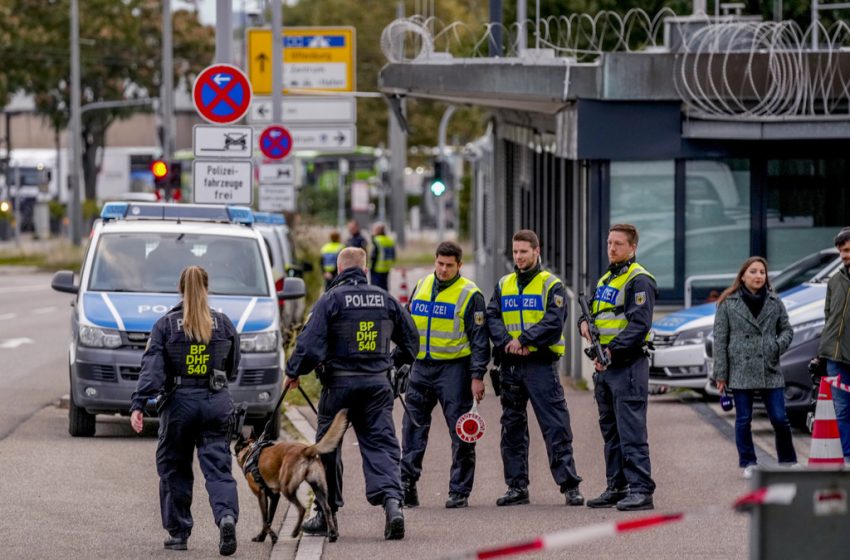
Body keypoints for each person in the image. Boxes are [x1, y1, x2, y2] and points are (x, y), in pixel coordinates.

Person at [284, 247, 419, 540]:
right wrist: (389, 364)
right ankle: (393, 505)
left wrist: (294, 371)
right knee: (382, 445)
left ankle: (325, 513)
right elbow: (412, 342)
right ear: (366, 270)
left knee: (327, 449)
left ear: (340, 269)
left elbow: (309, 346)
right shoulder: (385, 299)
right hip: (377, 387)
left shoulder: (330, 299)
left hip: (340, 386)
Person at [130, 266, 240, 556]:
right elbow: (233, 367)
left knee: (175, 469)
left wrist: (139, 404)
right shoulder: (224, 323)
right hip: (216, 402)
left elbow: (152, 370)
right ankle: (226, 517)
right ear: (207, 288)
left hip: (179, 405)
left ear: (180, 289)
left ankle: (179, 534)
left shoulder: (165, 325)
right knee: (218, 469)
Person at [486, 229, 583, 507]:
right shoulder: (504, 284)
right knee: (512, 428)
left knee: (555, 426)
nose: (518, 257)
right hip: (511, 364)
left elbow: (554, 323)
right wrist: (506, 342)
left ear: (536, 251)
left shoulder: (551, 284)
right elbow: (492, 316)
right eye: (515, 252)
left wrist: (525, 340)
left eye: (523, 252)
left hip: (539, 364)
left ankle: (569, 486)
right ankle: (516, 487)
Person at [401, 241, 489, 509]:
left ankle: (459, 490)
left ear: (459, 266)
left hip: (454, 370)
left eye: (449, 265)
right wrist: (400, 362)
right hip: (421, 368)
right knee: (412, 429)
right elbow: (407, 326)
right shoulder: (423, 285)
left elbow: (479, 341)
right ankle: (407, 485)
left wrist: (477, 376)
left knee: (461, 431)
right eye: (440, 263)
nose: (443, 269)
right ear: (435, 262)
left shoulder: (470, 294)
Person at [579, 224, 656, 511]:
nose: (612, 248)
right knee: (611, 432)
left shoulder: (640, 280)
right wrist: (583, 324)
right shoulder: (605, 280)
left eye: (618, 244)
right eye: (610, 243)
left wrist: (611, 351)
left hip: (627, 365)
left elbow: (639, 325)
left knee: (631, 430)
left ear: (632, 247)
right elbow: (596, 316)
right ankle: (617, 485)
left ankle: (641, 489)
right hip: (605, 368)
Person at [711, 256, 797, 477]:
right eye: (753, 272)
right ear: (742, 276)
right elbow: (720, 341)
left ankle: (788, 461)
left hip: (769, 366)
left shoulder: (774, 302)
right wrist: (720, 374)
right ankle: (748, 462)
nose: (759, 276)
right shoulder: (728, 303)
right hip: (740, 368)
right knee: (744, 419)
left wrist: (775, 347)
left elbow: (787, 330)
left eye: (762, 272)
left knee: (779, 417)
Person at [817, 227, 850, 464]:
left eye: (847, 250)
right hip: (835, 358)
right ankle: (847, 460)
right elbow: (829, 316)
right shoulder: (835, 280)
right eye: (841, 251)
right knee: (842, 410)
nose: (844, 256)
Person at [370, 222, 396, 291]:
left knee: (376, 290)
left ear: (378, 230)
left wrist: (371, 268)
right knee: (385, 288)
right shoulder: (389, 240)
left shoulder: (376, 240)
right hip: (387, 268)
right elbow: (393, 255)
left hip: (377, 269)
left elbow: (373, 255)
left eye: (374, 230)